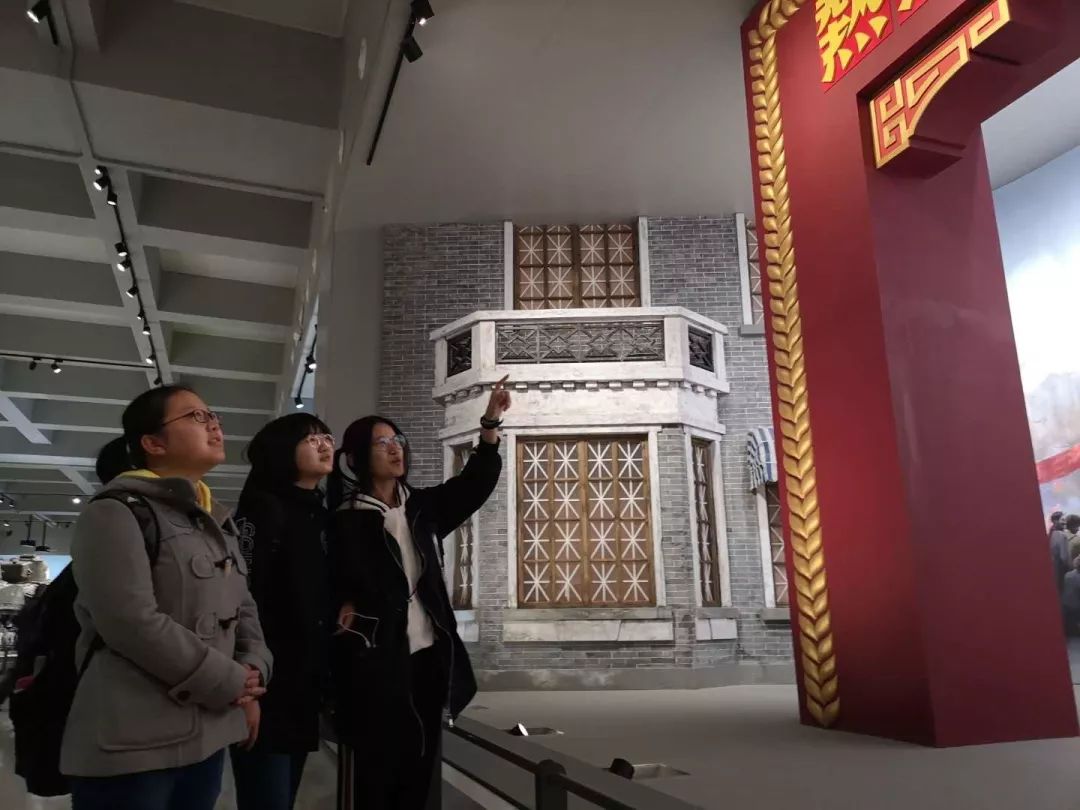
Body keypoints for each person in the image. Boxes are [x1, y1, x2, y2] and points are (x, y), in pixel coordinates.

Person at [61, 385, 273, 810]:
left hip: (209, 733)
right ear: (153, 443)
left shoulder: (216, 520)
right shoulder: (115, 511)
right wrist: (229, 682)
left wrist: (252, 674)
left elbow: (243, 608)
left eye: (213, 415)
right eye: (196, 416)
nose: (214, 424)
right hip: (135, 742)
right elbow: (130, 621)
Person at [327, 376, 512, 810]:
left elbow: (474, 484)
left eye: (398, 441)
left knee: (421, 765)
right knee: (378, 773)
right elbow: (330, 580)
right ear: (356, 458)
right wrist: (341, 604)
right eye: (382, 443)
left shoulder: (422, 509)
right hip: (377, 659)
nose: (395, 449)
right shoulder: (344, 520)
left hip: (427, 656)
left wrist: (489, 424)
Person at [228, 413, 334, 810]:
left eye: (326, 436)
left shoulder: (319, 512)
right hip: (266, 683)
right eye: (310, 439)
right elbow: (241, 600)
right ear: (282, 452)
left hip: (304, 686)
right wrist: (246, 691)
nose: (324, 444)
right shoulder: (262, 511)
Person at [1049, 511, 1070, 594]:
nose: (1065, 522)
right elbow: (1064, 558)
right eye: (1062, 520)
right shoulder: (1062, 535)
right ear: (1055, 521)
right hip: (1061, 572)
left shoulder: (1051, 533)